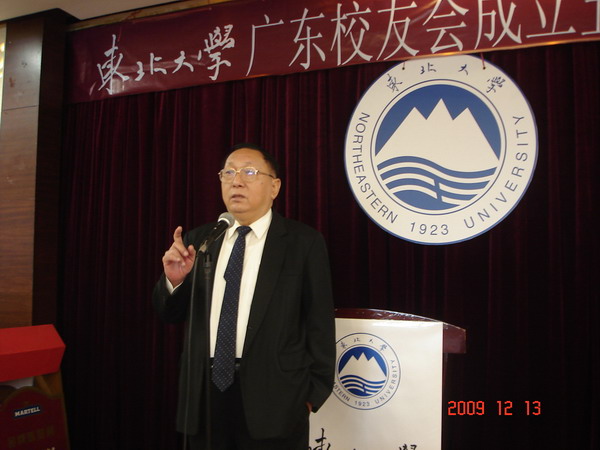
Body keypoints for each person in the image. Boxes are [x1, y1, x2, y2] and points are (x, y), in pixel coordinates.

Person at [153, 143, 336, 450]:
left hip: (276, 399)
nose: (236, 181)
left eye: (249, 172)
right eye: (228, 173)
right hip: (205, 399)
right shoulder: (201, 240)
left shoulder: (302, 243)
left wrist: (311, 395)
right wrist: (174, 280)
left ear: (275, 186)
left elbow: (319, 323)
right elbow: (169, 314)